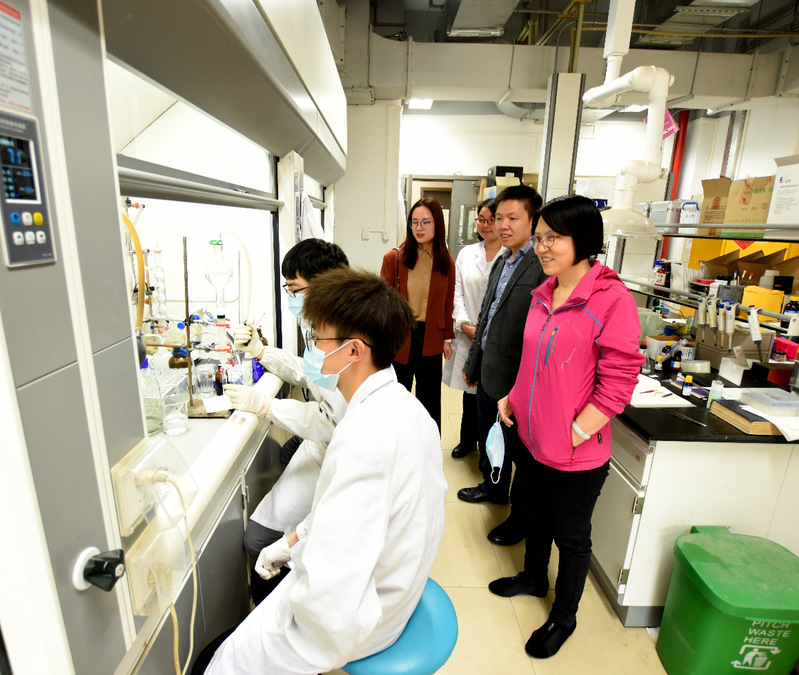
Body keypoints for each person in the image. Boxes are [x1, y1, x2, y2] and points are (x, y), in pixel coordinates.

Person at [196, 268, 447, 674]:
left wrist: (287, 610)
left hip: (354, 622)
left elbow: (329, 595)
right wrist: (292, 541)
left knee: (218, 662)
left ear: (354, 350)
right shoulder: (408, 410)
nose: (311, 348)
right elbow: (348, 517)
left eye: (317, 339)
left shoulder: (363, 437)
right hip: (389, 587)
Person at [493, 195, 643, 658]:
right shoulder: (545, 291)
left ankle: (564, 616)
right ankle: (533, 577)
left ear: (583, 240)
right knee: (533, 514)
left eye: (552, 238)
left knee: (572, 536)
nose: (541, 247)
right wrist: (514, 396)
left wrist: (576, 431)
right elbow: (535, 358)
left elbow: (619, 382)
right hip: (532, 438)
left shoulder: (611, 299)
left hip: (578, 453)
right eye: (539, 238)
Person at [226, 238, 349, 603]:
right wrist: (261, 351)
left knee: (257, 541)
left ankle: (292, 606)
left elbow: (329, 421)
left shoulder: (343, 335)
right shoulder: (319, 324)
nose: (291, 298)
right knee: (286, 457)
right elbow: (308, 371)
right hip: (321, 442)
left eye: (295, 289)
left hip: (336, 452)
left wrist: (266, 406)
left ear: (325, 284)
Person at [458, 184, 546, 548]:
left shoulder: (541, 266)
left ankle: (517, 518)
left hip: (516, 378)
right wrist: (473, 360)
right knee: (489, 436)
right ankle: (493, 487)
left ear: (533, 221)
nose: (503, 225)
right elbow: (486, 315)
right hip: (488, 368)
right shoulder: (503, 261)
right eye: (499, 218)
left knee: (517, 451)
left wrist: (521, 385)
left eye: (513, 218)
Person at [380, 197, 456, 431]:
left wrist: (447, 337)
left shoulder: (446, 261)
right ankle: (395, 442)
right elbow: (383, 303)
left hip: (431, 336)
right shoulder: (394, 258)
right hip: (401, 335)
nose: (419, 228)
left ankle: (427, 444)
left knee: (429, 399)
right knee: (397, 394)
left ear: (437, 224)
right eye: (414, 222)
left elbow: (448, 301)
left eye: (425, 222)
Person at [443, 198, 501, 459]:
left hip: (496, 336)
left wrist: (484, 331)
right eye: (481, 219)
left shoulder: (510, 255)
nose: (486, 225)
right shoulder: (467, 254)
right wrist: (464, 324)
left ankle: (489, 448)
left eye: (492, 220)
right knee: (470, 390)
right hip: (468, 330)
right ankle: (467, 441)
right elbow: (456, 292)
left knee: (490, 394)